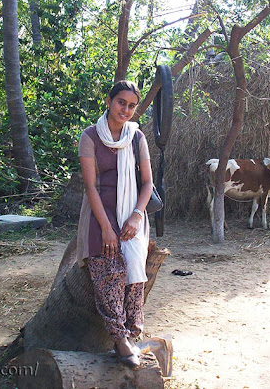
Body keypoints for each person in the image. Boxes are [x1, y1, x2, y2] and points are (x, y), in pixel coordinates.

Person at [76, 80, 154, 368]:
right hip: (100, 213)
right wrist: (106, 228)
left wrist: (136, 215)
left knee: (134, 275)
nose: (126, 110)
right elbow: (91, 187)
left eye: (132, 106)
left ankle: (133, 333)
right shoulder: (90, 137)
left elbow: (147, 183)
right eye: (121, 102)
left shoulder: (137, 138)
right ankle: (119, 338)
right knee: (109, 270)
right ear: (109, 101)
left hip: (131, 211)